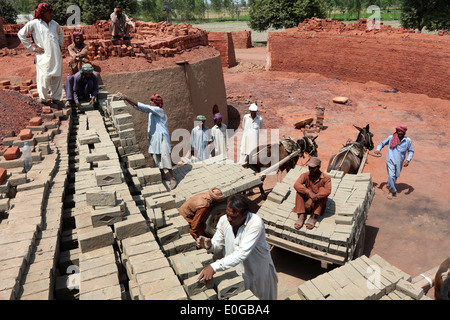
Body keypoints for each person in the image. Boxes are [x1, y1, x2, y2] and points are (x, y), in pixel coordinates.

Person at [196, 194, 278, 300]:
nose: (229, 219)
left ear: (245, 214)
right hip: (236, 271)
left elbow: (241, 253)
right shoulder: (223, 220)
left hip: (257, 271)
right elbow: (218, 244)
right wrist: (210, 245)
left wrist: (214, 267)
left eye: (234, 217)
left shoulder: (255, 224)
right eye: (227, 214)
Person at [116, 92, 177, 189]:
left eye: (152, 101)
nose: (150, 102)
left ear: (156, 103)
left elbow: (143, 106)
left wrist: (126, 97)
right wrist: (126, 100)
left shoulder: (158, 110)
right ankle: (162, 174)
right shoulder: (152, 111)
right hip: (154, 137)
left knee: (165, 156)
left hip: (161, 137)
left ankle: (172, 178)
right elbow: (139, 107)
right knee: (156, 156)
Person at [17, 3, 64, 107]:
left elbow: (61, 34)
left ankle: (56, 98)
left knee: (57, 76)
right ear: (42, 13)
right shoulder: (34, 23)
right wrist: (33, 48)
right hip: (43, 55)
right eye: (49, 12)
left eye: (52, 12)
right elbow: (21, 34)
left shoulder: (54, 24)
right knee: (44, 77)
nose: (52, 14)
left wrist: (59, 46)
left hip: (56, 54)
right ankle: (43, 99)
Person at [374, 125, 414, 199]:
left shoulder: (407, 141)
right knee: (391, 175)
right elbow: (382, 143)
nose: (400, 133)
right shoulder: (391, 138)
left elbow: (411, 151)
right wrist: (378, 149)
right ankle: (392, 191)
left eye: (401, 131)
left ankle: (390, 185)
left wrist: (408, 160)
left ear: (404, 132)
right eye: (398, 131)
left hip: (400, 162)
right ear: (396, 131)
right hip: (390, 160)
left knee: (395, 176)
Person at [292, 157, 331, 230]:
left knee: (322, 192)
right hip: (306, 201)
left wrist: (312, 199)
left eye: (313, 168)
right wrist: (309, 192)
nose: (310, 169)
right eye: (309, 167)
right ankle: (301, 215)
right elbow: (296, 184)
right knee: (299, 191)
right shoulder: (305, 175)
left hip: (317, 202)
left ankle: (314, 216)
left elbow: (328, 191)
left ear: (318, 167)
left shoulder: (326, 178)